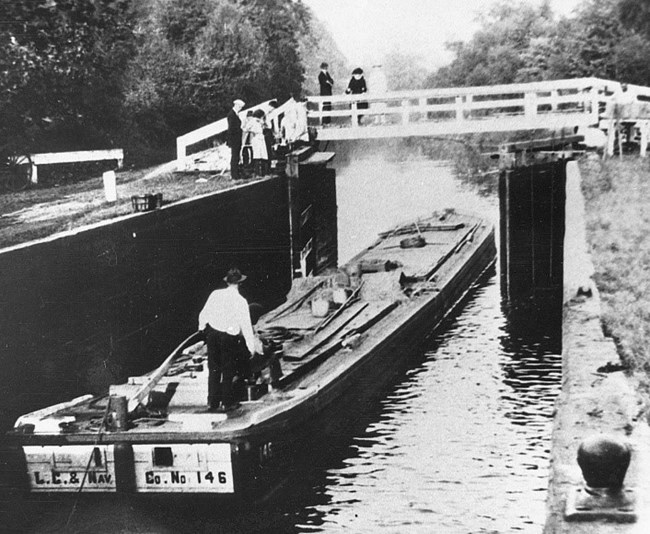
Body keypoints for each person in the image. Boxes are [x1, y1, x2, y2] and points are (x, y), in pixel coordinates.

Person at [198, 267, 262, 411]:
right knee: (228, 370)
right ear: (240, 284)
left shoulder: (215, 294)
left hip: (213, 334)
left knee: (213, 369)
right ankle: (227, 402)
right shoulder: (241, 301)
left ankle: (212, 403)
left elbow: (204, 313)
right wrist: (251, 348)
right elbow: (246, 327)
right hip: (228, 337)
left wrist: (202, 327)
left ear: (227, 283)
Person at [227, 99, 245, 180]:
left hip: (236, 138)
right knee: (234, 157)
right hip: (234, 139)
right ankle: (234, 175)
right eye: (240, 107)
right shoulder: (231, 114)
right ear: (236, 105)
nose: (241, 108)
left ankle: (236, 173)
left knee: (236, 156)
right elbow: (231, 128)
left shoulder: (235, 114)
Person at [250, 109, 269, 175]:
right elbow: (248, 129)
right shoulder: (253, 121)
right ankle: (258, 173)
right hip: (257, 139)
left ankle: (263, 173)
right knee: (257, 155)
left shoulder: (260, 121)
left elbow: (267, 125)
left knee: (263, 155)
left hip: (260, 138)